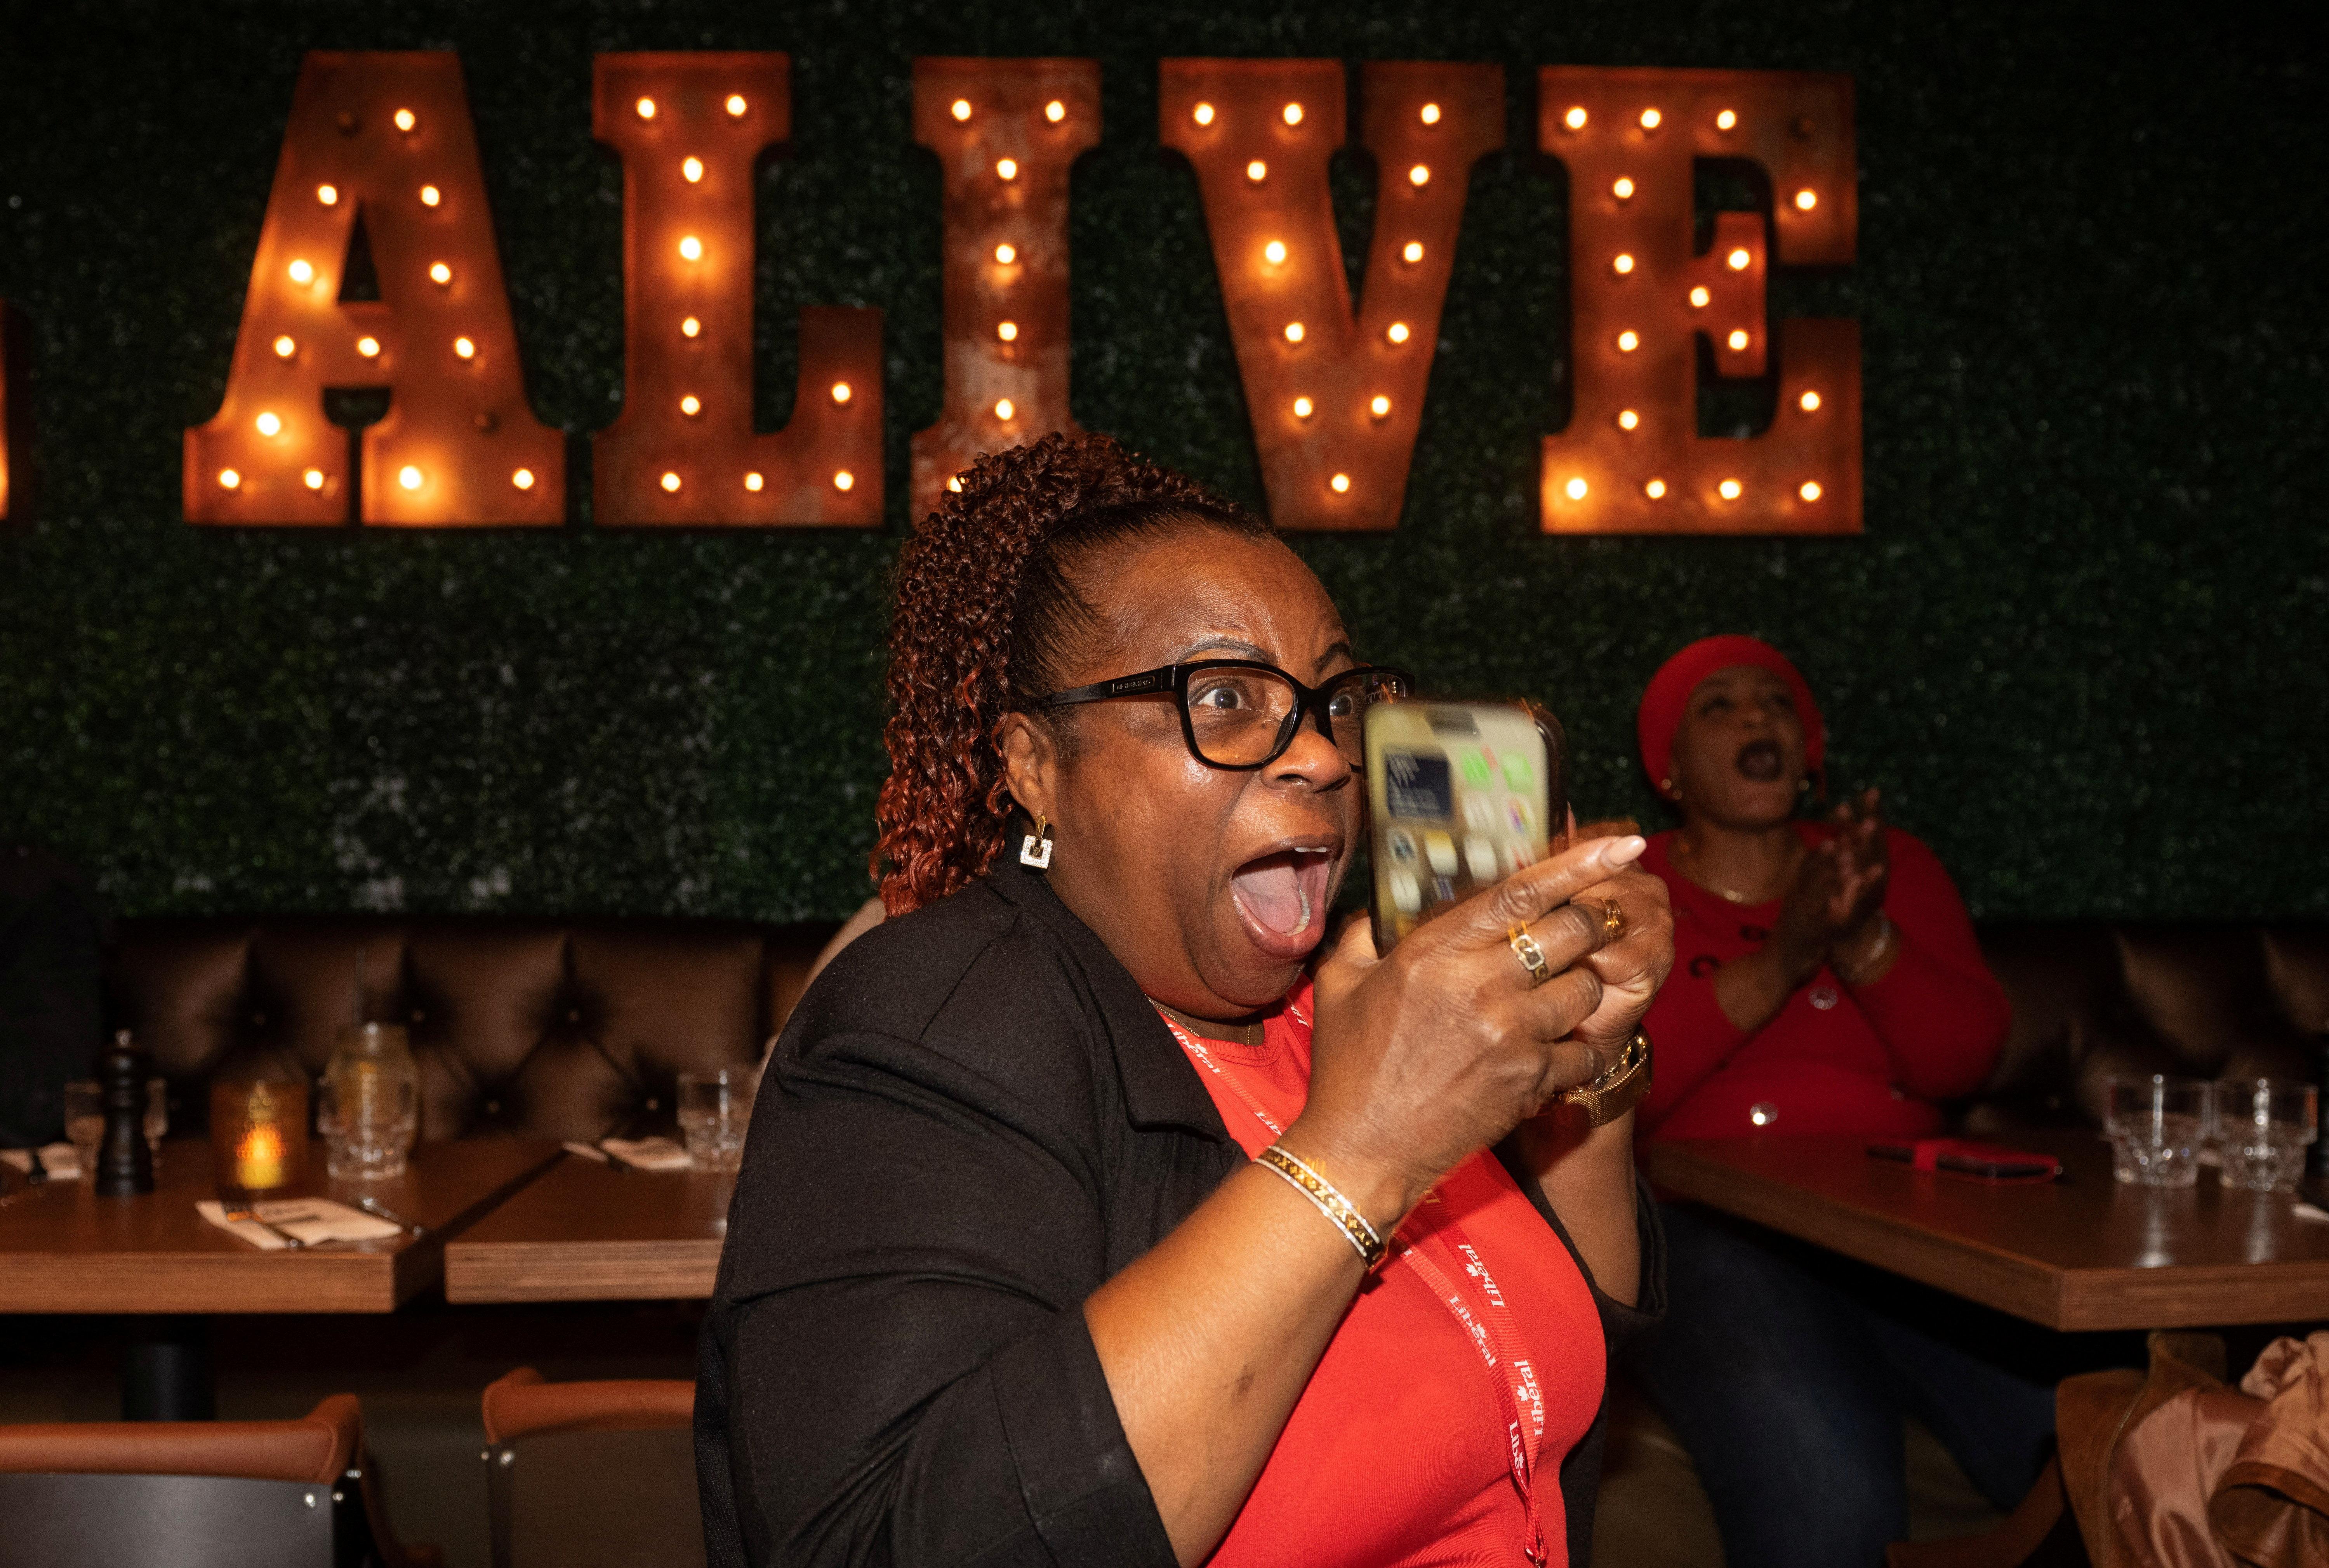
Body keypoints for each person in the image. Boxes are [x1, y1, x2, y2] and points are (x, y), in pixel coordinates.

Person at [696, 433, 1675, 1568]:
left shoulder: (1352, 1004)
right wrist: (1363, 1149)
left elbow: (1549, 1357)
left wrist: (1591, 1055)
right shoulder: (928, 1020)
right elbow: (881, 1541)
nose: (1316, 755)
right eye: (1221, 697)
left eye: (1330, 702)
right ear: (1032, 765)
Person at [1623, 634, 2053, 1568]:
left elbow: (1960, 1062)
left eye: (1775, 703)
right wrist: (1786, 955)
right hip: (1712, 1230)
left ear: (1807, 746)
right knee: (1827, 1490)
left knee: (2074, 1433)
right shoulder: (1631, 886)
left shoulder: (1885, 865)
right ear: (1668, 771)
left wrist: (1857, 941)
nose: (1754, 718)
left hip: (1905, 1221)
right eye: (1718, 705)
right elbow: (1631, 1088)